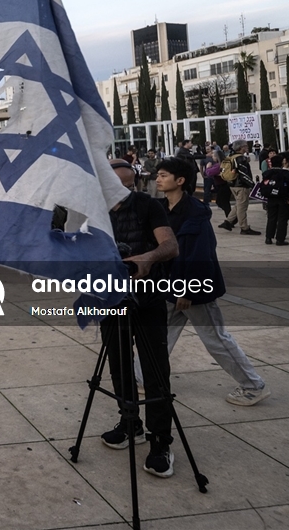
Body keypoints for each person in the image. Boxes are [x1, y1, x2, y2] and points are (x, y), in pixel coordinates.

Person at [142, 158, 270, 405]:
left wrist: (187, 290)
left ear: (180, 180)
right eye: (158, 175)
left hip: (193, 290)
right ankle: (142, 378)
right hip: (168, 286)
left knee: (216, 338)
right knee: (158, 335)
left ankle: (253, 386)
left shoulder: (195, 212)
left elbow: (200, 254)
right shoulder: (161, 208)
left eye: (163, 175)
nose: (158, 179)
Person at [99, 159, 179, 478]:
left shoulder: (148, 205)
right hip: (109, 298)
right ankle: (130, 423)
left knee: (155, 370)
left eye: (128, 185)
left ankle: (161, 441)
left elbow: (170, 245)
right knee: (119, 365)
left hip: (148, 298)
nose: (123, 192)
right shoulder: (92, 210)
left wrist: (148, 257)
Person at [218, 140, 261, 235]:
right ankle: (244, 227)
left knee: (239, 204)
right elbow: (243, 174)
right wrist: (252, 184)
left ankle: (228, 221)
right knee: (242, 207)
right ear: (241, 148)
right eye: (245, 146)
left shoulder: (231, 156)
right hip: (241, 185)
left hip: (232, 184)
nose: (247, 147)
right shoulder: (241, 158)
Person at [261, 152, 289, 246]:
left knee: (271, 218)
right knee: (282, 219)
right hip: (283, 198)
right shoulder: (288, 174)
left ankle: (268, 237)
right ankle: (280, 239)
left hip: (271, 198)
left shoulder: (267, 173)